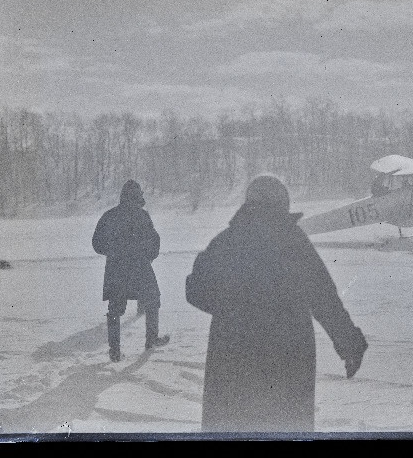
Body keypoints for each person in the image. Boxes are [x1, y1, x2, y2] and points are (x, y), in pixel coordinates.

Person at [185, 174, 369, 433]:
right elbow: (324, 297)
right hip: (289, 354)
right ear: (283, 203)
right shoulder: (294, 243)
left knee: (233, 426)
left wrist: (233, 308)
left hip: (233, 353)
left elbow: (195, 289)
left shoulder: (226, 241)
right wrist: (350, 344)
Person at [92, 180, 169, 362]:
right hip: (140, 268)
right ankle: (151, 340)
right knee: (152, 301)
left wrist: (113, 252)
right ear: (137, 196)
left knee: (115, 309)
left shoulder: (109, 216)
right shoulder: (142, 216)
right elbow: (154, 242)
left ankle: (114, 351)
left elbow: (97, 244)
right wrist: (148, 257)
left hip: (116, 269)